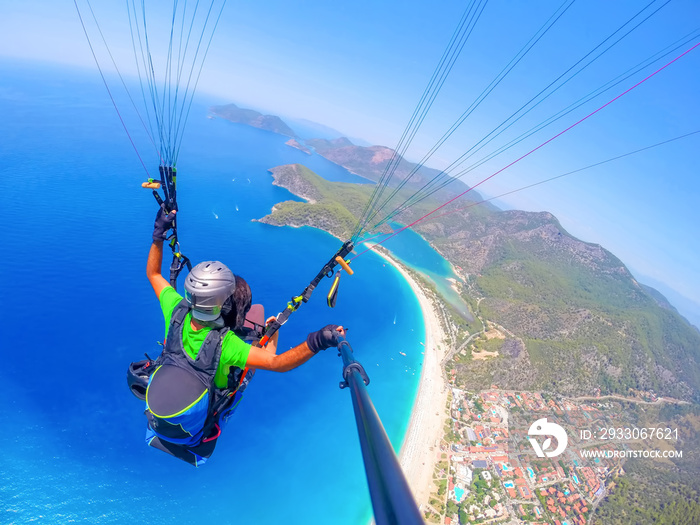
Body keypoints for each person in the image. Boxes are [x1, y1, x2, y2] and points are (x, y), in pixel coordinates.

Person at [133, 205, 345, 466]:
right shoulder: (226, 345)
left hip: (164, 417)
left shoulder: (175, 310)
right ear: (222, 305)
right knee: (246, 369)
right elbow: (276, 362)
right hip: (197, 431)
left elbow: (153, 273)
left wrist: (158, 235)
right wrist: (315, 340)